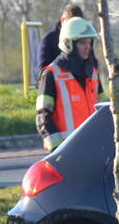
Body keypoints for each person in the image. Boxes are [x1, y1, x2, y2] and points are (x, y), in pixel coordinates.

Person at [35, 17, 102, 151]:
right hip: (67, 150)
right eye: (82, 43)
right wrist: (58, 150)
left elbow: (101, 111)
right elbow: (42, 116)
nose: (88, 47)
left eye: (89, 42)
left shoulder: (93, 73)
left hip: (93, 146)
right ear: (68, 44)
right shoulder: (51, 74)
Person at [39, 4, 84, 70]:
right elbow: (44, 71)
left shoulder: (85, 40)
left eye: (78, 25)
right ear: (63, 20)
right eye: (71, 24)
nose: (75, 28)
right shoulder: (48, 41)